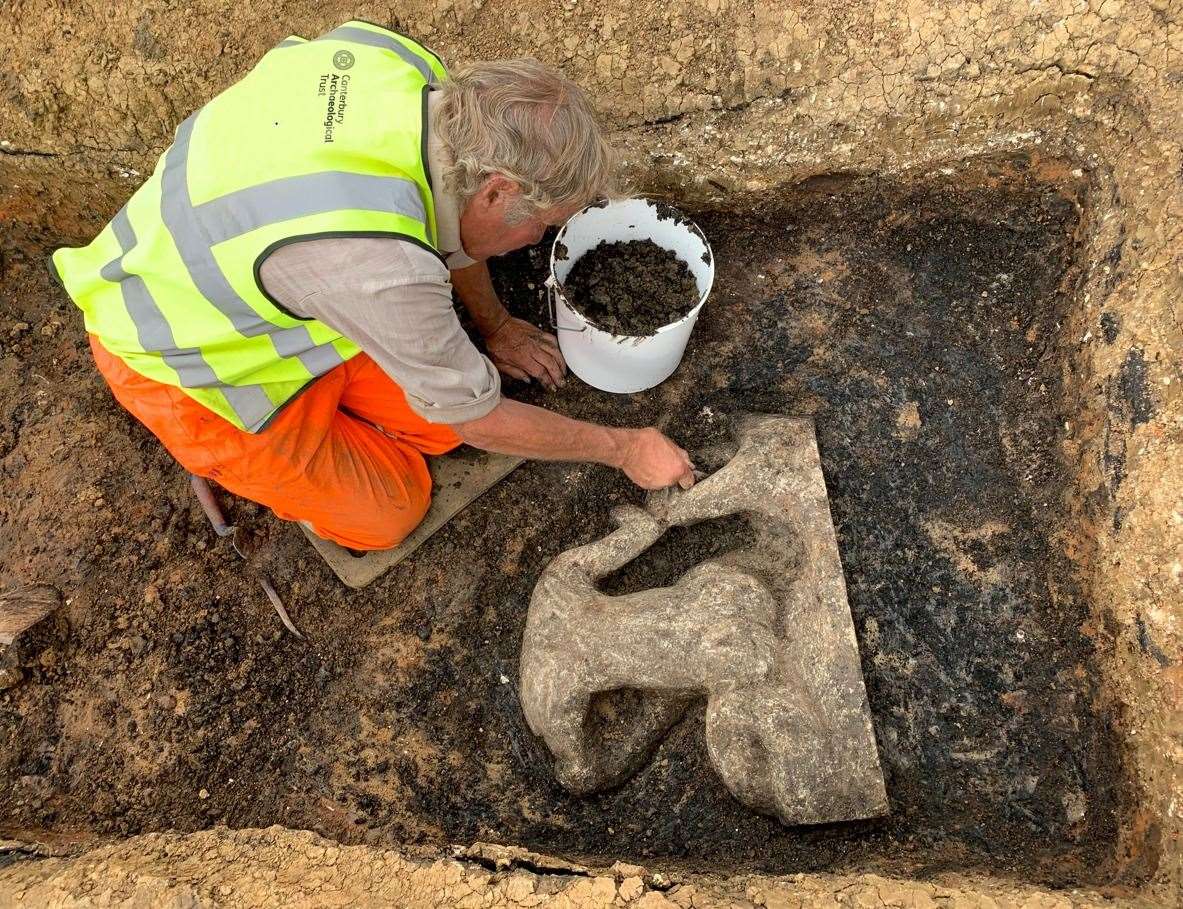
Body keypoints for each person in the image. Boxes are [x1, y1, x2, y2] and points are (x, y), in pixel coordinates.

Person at [50, 20, 696, 551]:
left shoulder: (399, 68)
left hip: (272, 292)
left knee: (439, 421)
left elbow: (447, 215)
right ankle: (229, 463)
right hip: (190, 364)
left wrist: (494, 329)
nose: (534, 243)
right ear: (499, 190)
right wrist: (623, 446)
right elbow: (476, 418)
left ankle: (331, 432)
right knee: (390, 510)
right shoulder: (380, 269)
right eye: (540, 225)